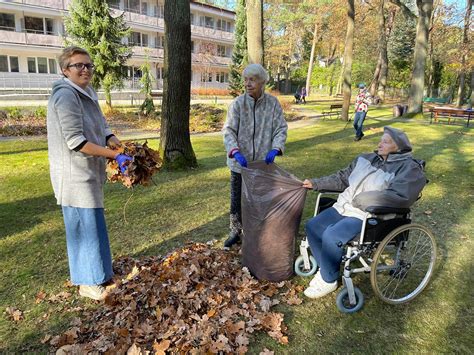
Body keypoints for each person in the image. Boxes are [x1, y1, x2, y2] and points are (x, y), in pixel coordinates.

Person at [47, 46, 133, 301]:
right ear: (65, 70)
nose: (85, 69)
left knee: (94, 224)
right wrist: (114, 156)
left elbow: (102, 126)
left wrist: (116, 142)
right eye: (78, 65)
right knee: (83, 228)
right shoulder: (65, 96)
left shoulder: (86, 92)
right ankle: (87, 282)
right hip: (73, 175)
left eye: (88, 65)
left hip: (89, 172)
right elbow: (76, 141)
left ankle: (100, 273)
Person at [301, 126, 426, 299]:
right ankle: (326, 269)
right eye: (381, 140)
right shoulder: (366, 159)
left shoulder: (408, 169)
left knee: (332, 236)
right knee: (313, 226)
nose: (380, 144)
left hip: (368, 215)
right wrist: (315, 183)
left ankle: (328, 280)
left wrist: (366, 200)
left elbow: (401, 196)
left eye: (386, 142)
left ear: (398, 147)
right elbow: (342, 178)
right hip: (343, 206)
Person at [223, 63, 288, 249]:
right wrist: (235, 151)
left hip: (261, 164)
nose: (248, 83)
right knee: (237, 200)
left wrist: (276, 148)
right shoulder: (237, 104)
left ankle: (256, 231)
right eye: (246, 80)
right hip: (239, 164)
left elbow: (281, 128)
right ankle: (235, 231)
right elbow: (228, 131)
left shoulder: (272, 104)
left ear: (262, 82)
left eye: (252, 80)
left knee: (259, 199)